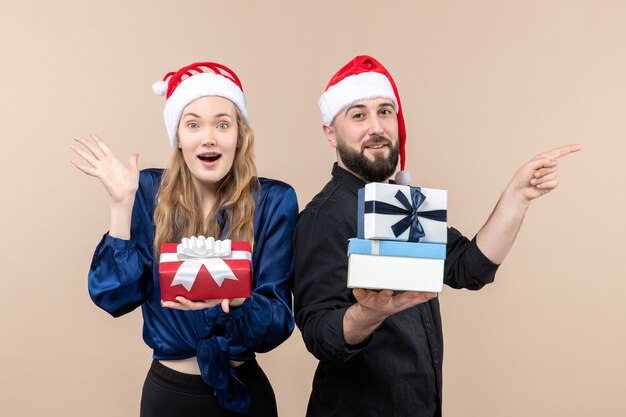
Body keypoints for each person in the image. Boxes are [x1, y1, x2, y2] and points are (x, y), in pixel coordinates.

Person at [293, 55, 581, 417]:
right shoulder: (323, 218)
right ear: (331, 133)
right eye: (358, 115)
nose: (376, 127)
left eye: (385, 112)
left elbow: (469, 268)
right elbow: (319, 334)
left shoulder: (403, 205)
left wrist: (517, 197)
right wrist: (368, 313)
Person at [71, 61, 298, 417]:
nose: (208, 137)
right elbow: (112, 297)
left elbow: (277, 324)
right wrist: (121, 206)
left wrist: (239, 301)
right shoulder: (146, 191)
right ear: (177, 136)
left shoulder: (273, 201)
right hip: (169, 398)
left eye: (222, 124)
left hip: (245, 396)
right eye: (193, 124)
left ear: (239, 134)